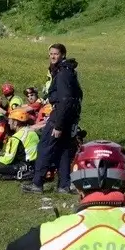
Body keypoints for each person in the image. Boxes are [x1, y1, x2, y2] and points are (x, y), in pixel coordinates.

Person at [24, 43, 83, 195]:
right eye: (50, 54)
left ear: (63, 54)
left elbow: (65, 100)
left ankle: (37, 184)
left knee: (45, 147)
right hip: (69, 116)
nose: (52, 56)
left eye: (56, 54)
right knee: (63, 149)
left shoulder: (63, 74)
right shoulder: (68, 71)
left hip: (60, 115)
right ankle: (64, 185)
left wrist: (58, 125)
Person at [0, 108, 40, 180]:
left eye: (10, 120)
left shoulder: (16, 138)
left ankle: (1, 175)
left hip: (24, 167)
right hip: (35, 164)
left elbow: (7, 160)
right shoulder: (32, 132)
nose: (8, 123)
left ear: (16, 123)